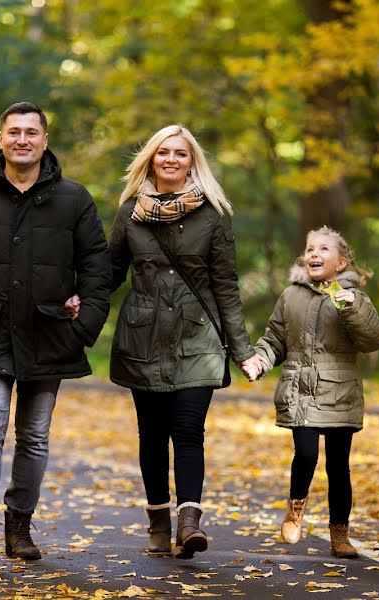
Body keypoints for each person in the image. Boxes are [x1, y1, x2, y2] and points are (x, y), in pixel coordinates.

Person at [0, 101, 111, 565]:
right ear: (1, 139)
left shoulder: (74, 197)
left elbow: (97, 268)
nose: (22, 139)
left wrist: (83, 326)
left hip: (49, 333)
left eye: (31, 132)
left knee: (34, 435)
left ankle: (20, 525)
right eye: (14, 132)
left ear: (45, 141)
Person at [97, 124, 266, 559]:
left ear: (193, 162)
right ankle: (159, 522)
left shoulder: (212, 214)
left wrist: (243, 350)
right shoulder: (130, 211)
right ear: (151, 159)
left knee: (188, 430)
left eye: (181, 154)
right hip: (143, 337)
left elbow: (225, 286)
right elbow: (109, 274)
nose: (171, 160)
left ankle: (189, 522)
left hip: (198, 338)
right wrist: (77, 309)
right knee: (151, 435)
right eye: (163, 153)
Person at [252, 225, 379, 558]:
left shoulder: (354, 297)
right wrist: (260, 361)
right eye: (310, 248)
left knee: (338, 466)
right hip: (301, 389)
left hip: (340, 390)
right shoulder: (291, 296)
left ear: (341, 263)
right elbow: (274, 340)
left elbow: (374, 339)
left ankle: (339, 534)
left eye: (324, 249)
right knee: (307, 454)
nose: (314, 253)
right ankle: (296, 507)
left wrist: (351, 306)